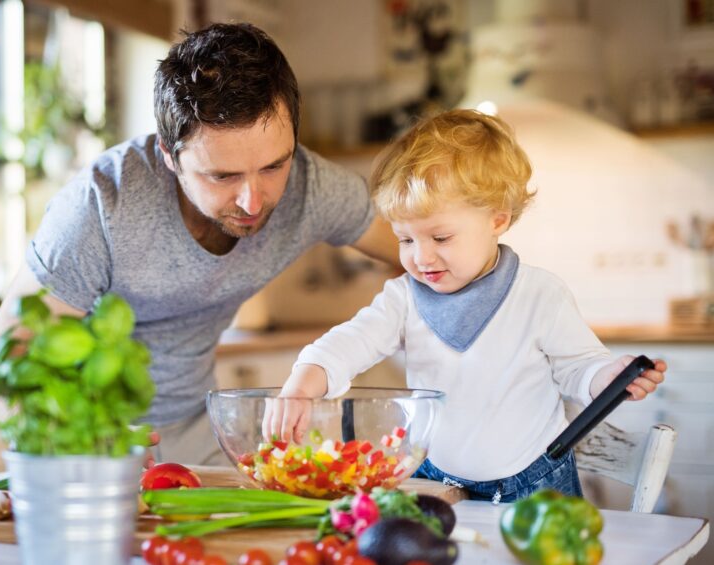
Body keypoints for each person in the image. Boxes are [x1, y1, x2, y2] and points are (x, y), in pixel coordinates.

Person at [0, 22, 401, 465]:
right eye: (223, 176)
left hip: (202, 436)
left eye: (274, 166)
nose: (253, 200)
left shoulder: (312, 188)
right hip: (89, 442)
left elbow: (425, 256)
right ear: (169, 156)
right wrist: (70, 454)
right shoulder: (101, 208)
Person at [263, 109, 666, 502]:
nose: (421, 258)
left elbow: (580, 369)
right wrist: (304, 382)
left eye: (440, 238)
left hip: (532, 484)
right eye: (406, 240)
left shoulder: (540, 294)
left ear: (497, 220)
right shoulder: (404, 298)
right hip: (436, 480)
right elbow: (350, 342)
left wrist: (610, 377)